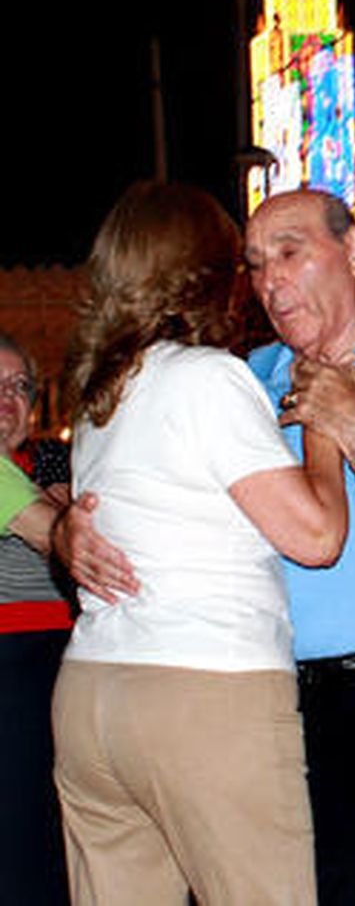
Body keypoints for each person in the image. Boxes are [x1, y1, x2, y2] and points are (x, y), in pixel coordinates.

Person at [57, 188, 355, 904]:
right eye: (254, 263)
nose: (269, 280)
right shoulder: (243, 376)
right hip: (268, 697)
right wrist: (68, 530)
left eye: (290, 252)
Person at [50, 182, 347, 904]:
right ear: (208, 274)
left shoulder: (101, 395)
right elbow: (315, 536)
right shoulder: (209, 378)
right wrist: (326, 423)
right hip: (205, 689)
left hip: (93, 691)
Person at [1, 333, 72, 906]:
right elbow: (73, 540)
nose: (7, 400)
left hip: (69, 664)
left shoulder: (55, 458)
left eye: (18, 387)